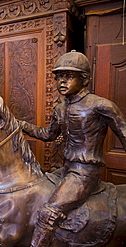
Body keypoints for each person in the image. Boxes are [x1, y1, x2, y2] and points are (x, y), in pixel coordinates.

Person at [19, 50, 126, 247]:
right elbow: (48, 135)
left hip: (86, 173)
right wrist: (20, 125)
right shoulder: (61, 108)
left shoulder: (100, 106)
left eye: (69, 76)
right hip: (67, 169)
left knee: (47, 213)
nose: (62, 81)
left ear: (84, 79)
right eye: (59, 76)